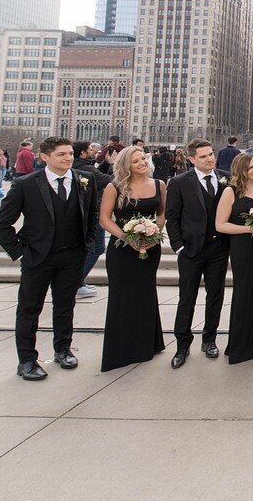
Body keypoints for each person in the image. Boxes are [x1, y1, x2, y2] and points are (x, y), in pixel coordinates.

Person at [0, 137, 100, 380]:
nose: (68, 158)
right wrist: (20, 252)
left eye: (70, 153)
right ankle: (27, 360)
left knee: (65, 305)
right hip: (38, 258)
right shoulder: (26, 184)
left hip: (72, 255)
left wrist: (88, 243)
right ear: (45, 156)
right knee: (30, 309)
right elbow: (2, 224)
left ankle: (63, 348)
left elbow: (92, 214)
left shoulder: (86, 180)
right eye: (61, 154)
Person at [98, 145, 166, 372]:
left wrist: (154, 234)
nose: (142, 164)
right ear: (126, 165)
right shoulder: (114, 187)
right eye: (136, 161)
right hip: (122, 249)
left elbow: (161, 213)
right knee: (122, 296)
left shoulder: (159, 185)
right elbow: (105, 219)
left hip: (150, 246)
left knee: (146, 293)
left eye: (143, 159)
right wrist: (128, 238)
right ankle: (122, 349)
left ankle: (148, 344)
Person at [165, 139, 231, 369]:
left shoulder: (226, 179)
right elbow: (172, 217)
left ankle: (209, 339)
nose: (210, 159)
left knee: (215, 296)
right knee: (187, 298)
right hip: (191, 250)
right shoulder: (179, 182)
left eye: (211, 154)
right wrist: (179, 246)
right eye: (203, 156)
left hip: (219, 249)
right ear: (192, 159)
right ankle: (182, 345)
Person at [215, 153, 253, 364]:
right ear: (241, 169)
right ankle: (242, 344)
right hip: (243, 247)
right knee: (245, 292)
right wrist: (249, 228)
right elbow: (220, 225)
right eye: (251, 167)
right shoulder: (230, 192)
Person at [72, 141, 113, 298]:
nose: (93, 151)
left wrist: (105, 163)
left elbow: (95, 174)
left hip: (84, 213)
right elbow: (106, 180)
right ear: (82, 153)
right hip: (92, 213)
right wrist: (116, 166)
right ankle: (76, 282)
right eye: (90, 149)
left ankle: (77, 282)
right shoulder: (86, 168)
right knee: (97, 247)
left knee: (90, 247)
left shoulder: (80, 166)